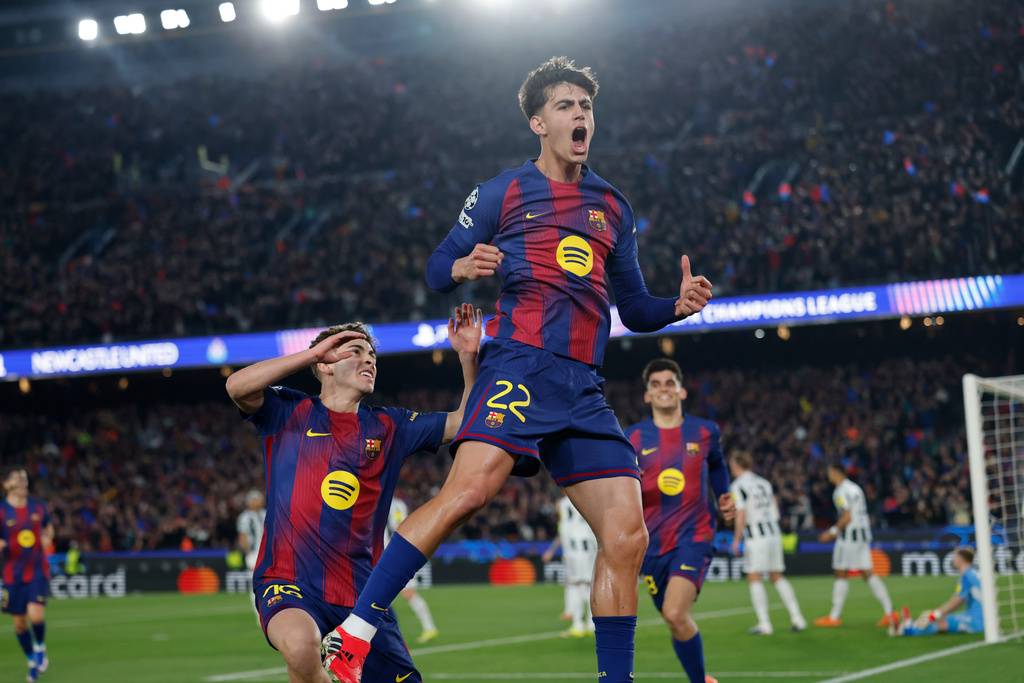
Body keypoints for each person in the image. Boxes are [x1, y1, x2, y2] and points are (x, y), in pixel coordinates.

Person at [323, 56, 714, 683]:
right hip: (519, 365)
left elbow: (635, 309)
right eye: (565, 105)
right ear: (538, 121)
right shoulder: (502, 190)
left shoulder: (614, 206)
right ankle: (354, 633)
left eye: (586, 106)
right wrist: (460, 267)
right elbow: (435, 265)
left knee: (626, 536)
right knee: (467, 495)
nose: (580, 114)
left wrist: (677, 306)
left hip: (583, 384)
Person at [226, 304, 481, 683]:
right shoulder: (288, 412)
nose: (369, 359)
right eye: (356, 351)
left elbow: (466, 422)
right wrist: (312, 353)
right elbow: (237, 386)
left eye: (372, 354)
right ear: (326, 364)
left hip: (363, 598)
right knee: (299, 646)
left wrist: (468, 358)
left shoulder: (390, 425)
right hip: (288, 581)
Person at [625, 358, 733, 683]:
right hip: (652, 545)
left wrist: (723, 496)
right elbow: (620, 487)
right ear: (647, 395)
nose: (663, 389)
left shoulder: (705, 431)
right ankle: (702, 678)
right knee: (674, 620)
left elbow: (717, 465)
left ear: (681, 390)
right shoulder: (630, 439)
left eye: (669, 383)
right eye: (656, 384)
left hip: (694, 536)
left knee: (674, 612)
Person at [728, 450, 807, 635]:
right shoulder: (763, 483)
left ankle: (764, 624)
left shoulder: (738, 485)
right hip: (773, 533)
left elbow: (741, 513)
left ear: (736, 465)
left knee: (754, 577)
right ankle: (798, 618)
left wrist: (737, 539)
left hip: (757, 536)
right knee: (776, 576)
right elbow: (775, 509)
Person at [814, 461, 895, 628]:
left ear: (836, 473)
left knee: (840, 571)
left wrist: (831, 532)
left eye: (829, 472)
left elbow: (847, 517)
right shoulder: (855, 488)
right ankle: (890, 613)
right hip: (863, 534)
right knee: (867, 573)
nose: (828, 475)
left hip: (850, 537)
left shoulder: (841, 491)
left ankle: (834, 616)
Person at [1, 466, 53, 682]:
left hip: (37, 569)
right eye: (17, 479)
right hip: (12, 574)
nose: (23, 482)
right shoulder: (2, 511)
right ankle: (31, 661)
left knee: (36, 616)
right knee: (20, 623)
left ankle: (40, 646)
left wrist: (48, 537)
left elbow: (48, 527)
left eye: (24, 479)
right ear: (6, 485)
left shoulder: (38, 506)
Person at [542, 492, 597, 637]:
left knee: (575, 585)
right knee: (591, 585)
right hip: (591, 546)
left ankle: (578, 625)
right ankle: (592, 624)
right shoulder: (589, 498)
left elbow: (565, 529)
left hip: (575, 548)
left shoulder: (566, 503)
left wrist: (566, 552)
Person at [385, 497, 439, 644]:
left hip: (395, 554)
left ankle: (429, 628)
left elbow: (398, 526)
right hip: (385, 554)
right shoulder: (383, 501)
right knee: (382, 595)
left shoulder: (395, 504)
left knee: (406, 593)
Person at [895, 547, 984, 636]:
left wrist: (933, 615)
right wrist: (937, 614)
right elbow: (960, 602)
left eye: (955, 557)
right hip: (980, 617)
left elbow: (956, 601)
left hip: (976, 621)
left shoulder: (966, 576)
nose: (953, 559)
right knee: (940, 618)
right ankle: (910, 623)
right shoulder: (973, 573)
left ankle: (905, 629)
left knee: (934, 624)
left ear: (960, 559)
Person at [237, 489, 267, 618]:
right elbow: (243, 536)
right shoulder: (245, 517)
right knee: (254, 583)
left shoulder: (265, 513)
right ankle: (258, 612)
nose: (261, 501)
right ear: (251, 502)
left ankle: (267, 608)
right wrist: (248, 554)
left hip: (267, 553)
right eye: (258, 499)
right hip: (254, 553)